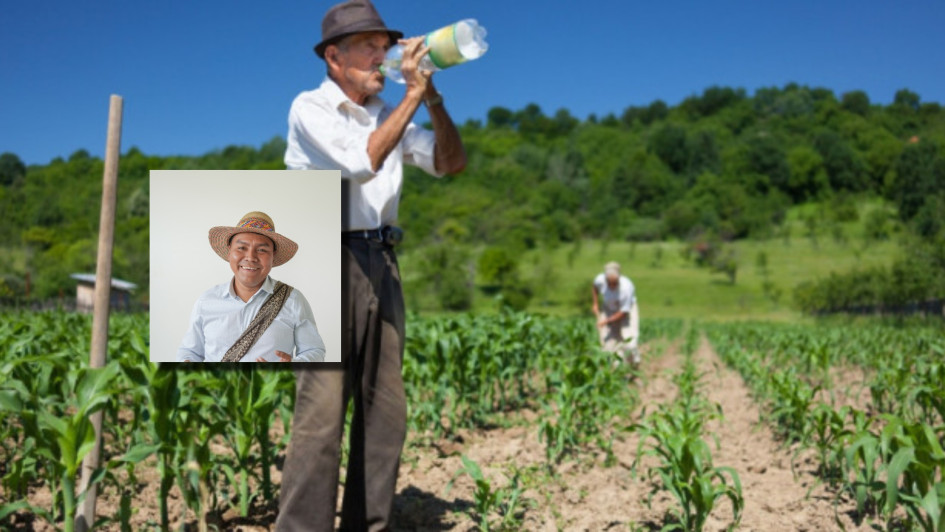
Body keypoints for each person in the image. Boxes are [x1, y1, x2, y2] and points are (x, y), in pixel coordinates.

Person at [277, 1, 466, 530]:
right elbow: (362, 161)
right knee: (321, 413)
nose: (381, 58)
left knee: (385, 409)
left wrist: (433, 100)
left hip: (381, 257)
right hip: (323, 255)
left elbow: (450, 162)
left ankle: (369, 525)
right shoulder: (310, 108)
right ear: (334, 57)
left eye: (385, 48)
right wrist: (409, 95)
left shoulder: (393, 114)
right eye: (369, 48)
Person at [176, 211, 326, 363]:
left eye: (262, 250)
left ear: (273, 256)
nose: (250, 257)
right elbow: (189, 352)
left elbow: (314, 350)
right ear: (229, 251)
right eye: (242, 248)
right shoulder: (206, 301)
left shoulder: (293, 300)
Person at [591, 261, 641, 366]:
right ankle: (616, 368)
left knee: (629, 342)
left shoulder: (626, 287)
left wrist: (606, 321)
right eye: (610, 283)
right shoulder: (600, 280)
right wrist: (595, 303)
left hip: (626, 311)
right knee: (608, 343)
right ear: (606, 279)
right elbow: (594, 287)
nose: (612, 285)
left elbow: (623, 312)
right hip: (608, 308)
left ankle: (634, 365)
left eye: (615, 283)